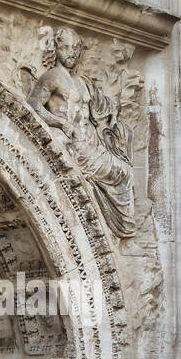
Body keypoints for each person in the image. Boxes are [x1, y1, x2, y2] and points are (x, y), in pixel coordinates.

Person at [29, 28, 136, 237]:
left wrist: (113, 106)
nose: (72, 52)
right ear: (56, 49)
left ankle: (122, 230)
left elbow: (98, 105)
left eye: (75, 48)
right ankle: (121, 228)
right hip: (75, 145)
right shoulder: (53, 76)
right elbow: (33, 105)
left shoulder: (81, 81)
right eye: (66, 47)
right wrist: (60, 123)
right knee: (122, 174)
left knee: (126, 172)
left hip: (92, 144)